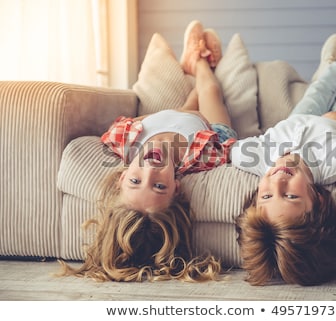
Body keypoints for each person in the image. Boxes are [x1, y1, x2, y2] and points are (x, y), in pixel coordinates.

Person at [59, 20, 237, 282]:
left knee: (182, 108)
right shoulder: (199, 156)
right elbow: (228, 149)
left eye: (135, 180)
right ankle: (200, 61)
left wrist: (152, 125)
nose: (150, 171)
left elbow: (112, 131)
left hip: (168, 118)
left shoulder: (125, 143)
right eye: (159, 187)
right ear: (176, 187)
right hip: (205, 128)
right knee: (209, 90)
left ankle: (191, 67)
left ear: (122, 178)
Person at [232, 22, 336, 286]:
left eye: (266, 195)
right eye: (290, 195)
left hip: (299, 117)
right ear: (318, 201)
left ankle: (335, 68)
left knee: (318, 91)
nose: (277, 180)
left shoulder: (253, 158)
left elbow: (230, 149)